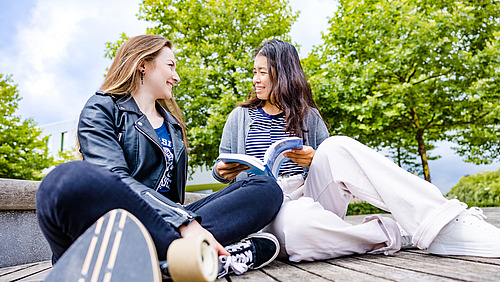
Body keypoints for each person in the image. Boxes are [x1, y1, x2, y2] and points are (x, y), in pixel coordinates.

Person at [212, 39, 500, 262]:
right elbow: (222, 167)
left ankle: (443, 221)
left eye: (263, 72)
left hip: (308, 193)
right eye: (255, 72)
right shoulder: (240, 118)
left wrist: (314, 158)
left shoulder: (308, 116)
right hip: (267, 207)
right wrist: (223, 171)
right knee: (297, 233)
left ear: (283, 74)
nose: (256, 79)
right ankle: (393, 233)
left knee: (335, 146)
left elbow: (331, 167)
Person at [36, 35, 284, 278]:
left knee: (265, 188)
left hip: (165, 226)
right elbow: (112, 176)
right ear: (143, 64)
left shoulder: (173, 126)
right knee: (64, 179)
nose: (176, 77)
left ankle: (172, 262)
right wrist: (184, 222)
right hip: (117, 224)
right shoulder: (101, 108)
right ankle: (188, 260)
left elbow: (173, 199)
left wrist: (182, 219)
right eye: (171, 65)